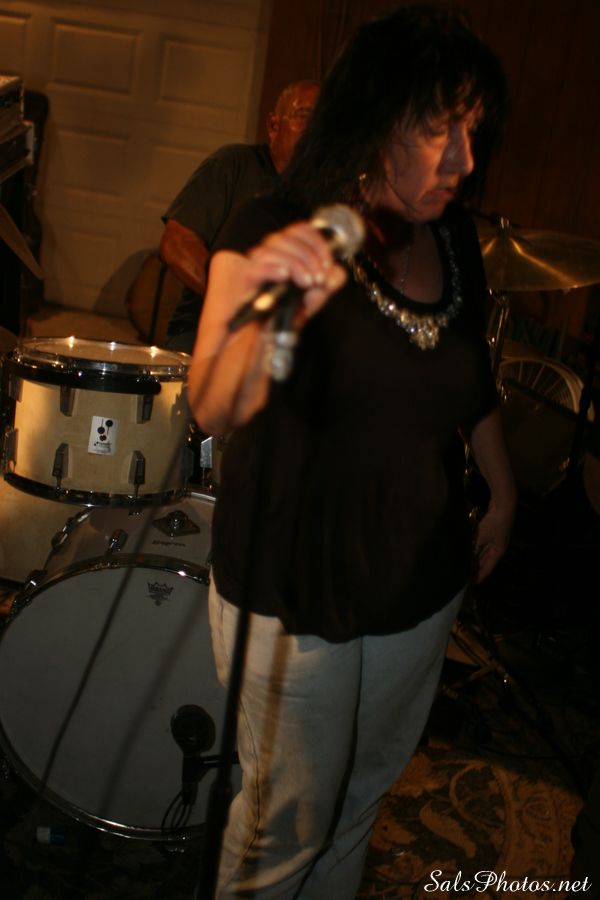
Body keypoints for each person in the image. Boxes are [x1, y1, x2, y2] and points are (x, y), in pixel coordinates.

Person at [188, 5, 516, 897]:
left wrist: (502, 485)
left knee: (360, 801)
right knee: (286, 822)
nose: (465, 160)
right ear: (376, 118)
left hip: (419, 575)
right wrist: (273, 306)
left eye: (475, 131)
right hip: (295, 578)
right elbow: (211, 406)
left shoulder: (453, 235)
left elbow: (468, 372)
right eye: (441, 129)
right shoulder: (271, 224)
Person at [160, 79, 320, 352]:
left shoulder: (328, 193)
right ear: (273, 125)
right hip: (209, 326)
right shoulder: (234, 164)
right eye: (302, 116)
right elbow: (177, 243)